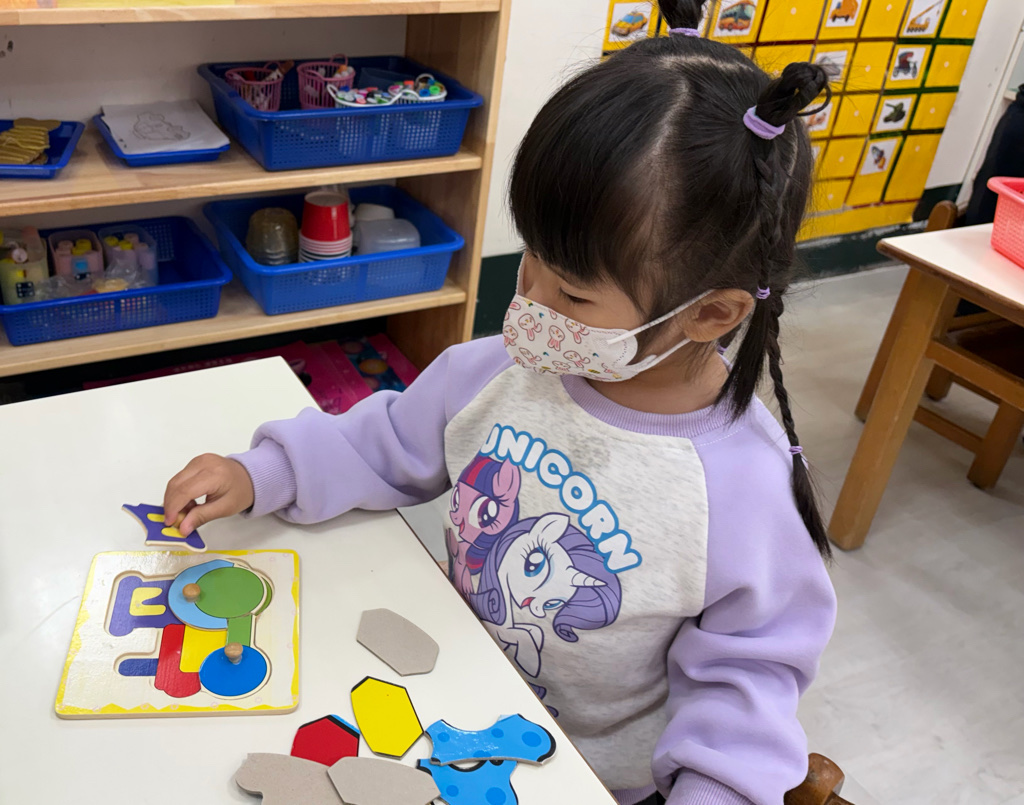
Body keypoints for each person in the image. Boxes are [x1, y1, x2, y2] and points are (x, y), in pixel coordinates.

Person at [163, 2, 837, 801]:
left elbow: (746, 692)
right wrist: (267, 471)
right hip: (450, 712)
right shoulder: (501, 370)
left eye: (573, 294)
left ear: (712, 313)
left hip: (585, 778)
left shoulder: (746, 488)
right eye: (530, 261)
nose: (529, 302)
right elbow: (386, 443)